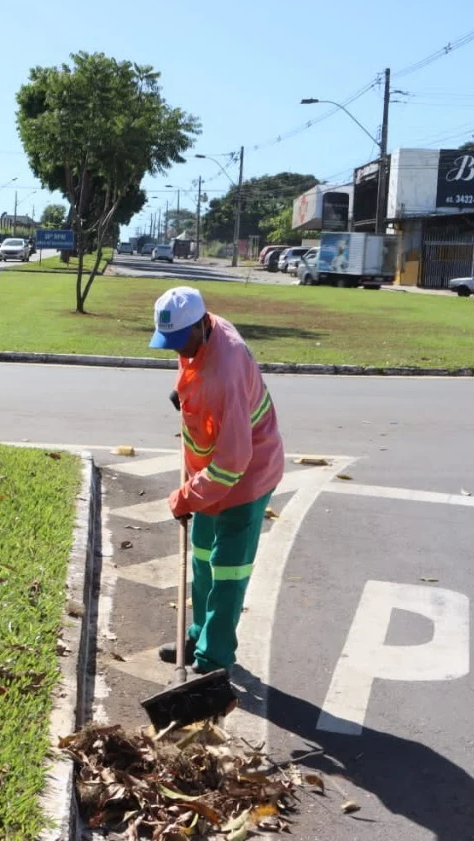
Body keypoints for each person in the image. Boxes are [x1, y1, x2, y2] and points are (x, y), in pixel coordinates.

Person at [149, 286, 284, 674]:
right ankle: (198, 633)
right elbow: (192, 368)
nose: (178, 352)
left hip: (246, 476)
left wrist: (185, 498)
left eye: (181, 342)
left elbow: (232, 464)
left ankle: (214, 658)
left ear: (202, 325)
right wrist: (183, 391)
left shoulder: (225, 372)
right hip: (209, 473)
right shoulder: (204, 334)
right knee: (203, 557)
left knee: (227, 570)